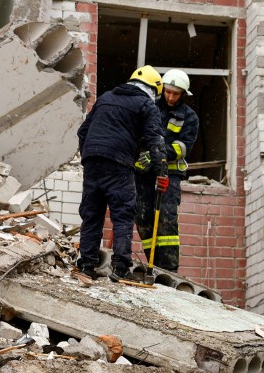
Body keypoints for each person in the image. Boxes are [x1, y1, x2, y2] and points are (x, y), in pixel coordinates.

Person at [76, 66, 168, 281]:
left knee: (92, 213)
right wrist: (161, 171)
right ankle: (120, 268)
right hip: (118, 163)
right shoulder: (146, 104)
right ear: (154, 89)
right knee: (123, 214)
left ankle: (87, 264)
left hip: (92, 159)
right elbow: (156, 140)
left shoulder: (106, 97)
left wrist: (89, 156)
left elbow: (83, 131)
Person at [135, 69, 200, 272]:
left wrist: (157, 155)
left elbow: (182, 147)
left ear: (183, 95)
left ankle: (169, 269)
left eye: (176, 94)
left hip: (170, 174)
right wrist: (138, 157)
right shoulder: (149, 107)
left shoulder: (189, 117)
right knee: (143, 216)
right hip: (144, 174)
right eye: (168, 92)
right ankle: (153, 263)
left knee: (166, 217)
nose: (170, 97)